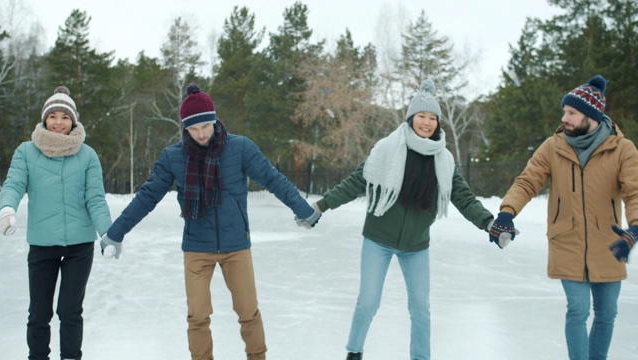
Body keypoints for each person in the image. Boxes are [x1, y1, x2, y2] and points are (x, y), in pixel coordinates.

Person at [100, 83, 321, 360]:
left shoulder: (240, 148)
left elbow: (272, 178)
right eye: (194, 129)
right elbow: (147, 197)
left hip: (236, 245)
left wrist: (302, 208)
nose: (201, 134)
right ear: (185, 128)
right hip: (196, 248)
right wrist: (116, 233)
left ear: (214, 120)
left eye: (205, 125)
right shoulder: (173, 157)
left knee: (248, 312)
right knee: (198, 316)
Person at [311, 79, 500, 360]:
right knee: (368, 302)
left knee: (421, 308)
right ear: (411, 118)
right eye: (421, 116)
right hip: (379, 240)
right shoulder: (388, 149)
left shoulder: (444, 160)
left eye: (432, 118)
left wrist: (489, 222)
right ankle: (354, 351)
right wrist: (322, 205)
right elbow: (355, 182)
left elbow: (463, 197)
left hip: (416, 247)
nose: (427, 122)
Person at [490, 75, 638, 360]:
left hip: (609, 241)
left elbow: (634, 192)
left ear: (591, 115)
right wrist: (507, 213)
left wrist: (634, 227)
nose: (564, 118)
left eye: (571, 112)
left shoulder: (622, 149)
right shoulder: (552, 146)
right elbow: (527, 182)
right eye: (565, 111)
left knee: (607, 313)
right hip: (566, 239)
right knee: (578, 310)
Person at [0, 86, 112, 360]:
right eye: (53, 116)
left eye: (64, 116)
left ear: (73, 120)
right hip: (42, 244)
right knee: (39, 312)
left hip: (79, 245)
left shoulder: (87, 155)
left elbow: (95, 198)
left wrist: (109, 233)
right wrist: (6, 207)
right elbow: (14, 183)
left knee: (70, 311)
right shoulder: (26, 152)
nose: (58, 122)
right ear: (44, 119)